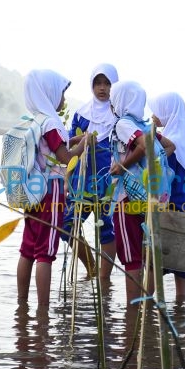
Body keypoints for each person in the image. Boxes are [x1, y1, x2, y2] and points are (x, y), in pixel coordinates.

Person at [17, 69, 87, 307]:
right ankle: (43, 312)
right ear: (48, 93)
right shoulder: (51, 122)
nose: (64, 100)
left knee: (28, 249)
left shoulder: (33, 120)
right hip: (50, 190)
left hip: (31, 190)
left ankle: (22, 305)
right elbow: (65, 157)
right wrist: (83, 146)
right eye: (61, 94)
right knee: (45, 253)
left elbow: (51, 147)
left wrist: (73, 139)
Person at [108, 80, 176, 304]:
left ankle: (133, 309)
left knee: (131, 257)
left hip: (127, 197)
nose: (110, 103)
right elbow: (169, 147)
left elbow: (144, 145)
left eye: (112, 99)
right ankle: (146, 306)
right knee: (148, 254)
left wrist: (123, 165)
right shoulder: (146, 124)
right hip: (151, 196)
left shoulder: (123, 124)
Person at [62, 63, 119, 279]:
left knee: (106, 229)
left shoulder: (119, 116)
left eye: (107, 83)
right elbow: (68, 147)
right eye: (98, 83)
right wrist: (67, 178)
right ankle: (92, 269)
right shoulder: (81, 113)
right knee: (67, 226)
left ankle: (104, 281)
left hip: (108, 181)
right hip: (81, 180)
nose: (102, 88)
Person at [149, 92, 185, 303]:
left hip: (166, 210)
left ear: (168, 112)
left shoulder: (169, 142)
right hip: (184, 210)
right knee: (181, 269)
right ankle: (180, 312)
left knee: (154, 266)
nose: (153, 115)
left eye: (158, 110)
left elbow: (161, 180)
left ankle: (145, 313)